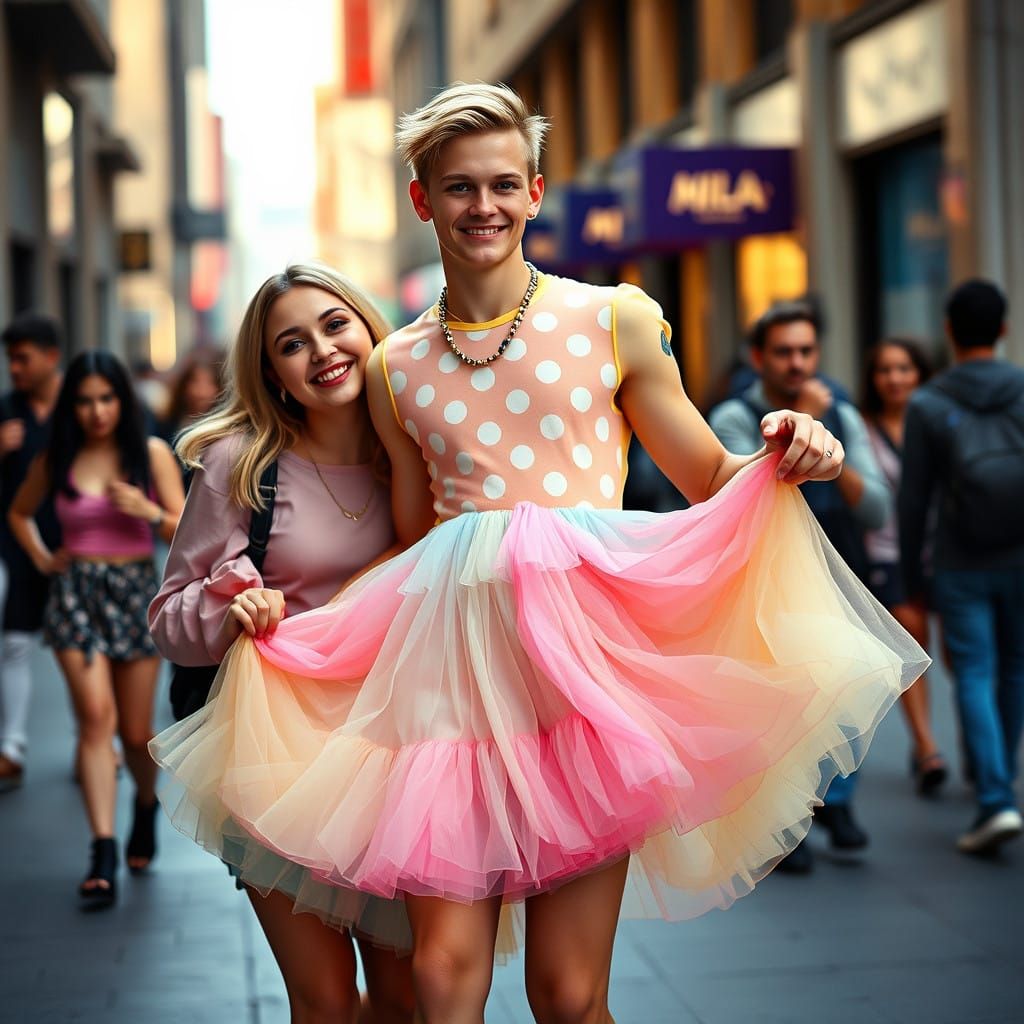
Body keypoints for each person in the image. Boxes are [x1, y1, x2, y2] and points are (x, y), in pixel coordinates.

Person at [151, 84, 926, 1023]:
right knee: (441, 981)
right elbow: (409, 538)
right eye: (461, 186)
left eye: (504, 185)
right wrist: (303, 642)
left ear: (536, 193)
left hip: (578, 690)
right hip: (446, 691)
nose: (484, 205)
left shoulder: (615, 318)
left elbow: (710, 473)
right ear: (421, 200)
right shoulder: (393, 364)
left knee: (566, 995)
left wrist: (796, 451)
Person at [149, 264, 415, 1024]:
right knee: (325, 1002)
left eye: (335, 325)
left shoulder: (420, 442)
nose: (322, 351)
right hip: (275, 760)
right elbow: (168, 616)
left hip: (396, 756)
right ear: (272, 372)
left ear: (368, 328)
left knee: (405, 997)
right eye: (291, 344)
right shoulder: (241, 462)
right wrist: (231, 609)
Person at [708, 300, 892, 872]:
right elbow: (724, 497)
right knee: (777, 702)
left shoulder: (843, 411)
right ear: (758, 357)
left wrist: (830, 445)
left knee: (841, 690)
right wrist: (794, 427)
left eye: (806, 352)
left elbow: (878, 506)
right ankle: (786, 822)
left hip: (839, 573)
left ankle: (833, 804)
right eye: (783, 352)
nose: (797, 363)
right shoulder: (734, 418)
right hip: (763, 583)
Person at [8, 351, 185, 906]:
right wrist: (41, 557)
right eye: (83, 401)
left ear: (122, 400)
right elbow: (17, 512)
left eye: (106, 399)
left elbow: (185, 526)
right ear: (71, 406)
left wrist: (147, 510)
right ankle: (102, 850)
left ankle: (146, 804)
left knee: (135, 735)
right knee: (94, 720)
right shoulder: (56, 456)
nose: (96, 412)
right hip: (76, 595)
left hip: (133, 592)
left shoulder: (149, 454)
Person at [900, 279, 1024, 855]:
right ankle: (994, 774)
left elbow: (914, 499)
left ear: (949, 330)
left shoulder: (928, 403)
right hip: (1020, 555)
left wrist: (911, 578)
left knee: (973, 672)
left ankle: (995, 798)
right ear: (1002, 329)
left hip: (960, 560)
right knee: (1015, 670)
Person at [861, 338, 947, 795]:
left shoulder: (939, 421)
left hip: (943, 550)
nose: (895, 378)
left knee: (956, 653)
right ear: (874, 379)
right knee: (912, 640)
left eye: (904, 368)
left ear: (920, 372)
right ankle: (927, 746)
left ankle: (977, 747)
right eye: (885, 369)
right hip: (888, 551)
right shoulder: (863, 427)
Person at [0, 313, 63, 791]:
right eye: (10, 359)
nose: (14, 369)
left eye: (22, 359)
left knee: (87, 652)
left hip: (75, 551)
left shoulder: (82, 407)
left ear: (50, 357)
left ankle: (100, 744)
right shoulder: (7, 412)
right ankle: (12, 747)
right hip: (19, 548)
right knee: (16, 642)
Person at [161, 347, 225, 442]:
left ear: (219, 388)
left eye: (209, 383)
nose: (201, 392)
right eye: (195, 382)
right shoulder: (168, 423)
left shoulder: (221, 427)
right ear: (184, 386)